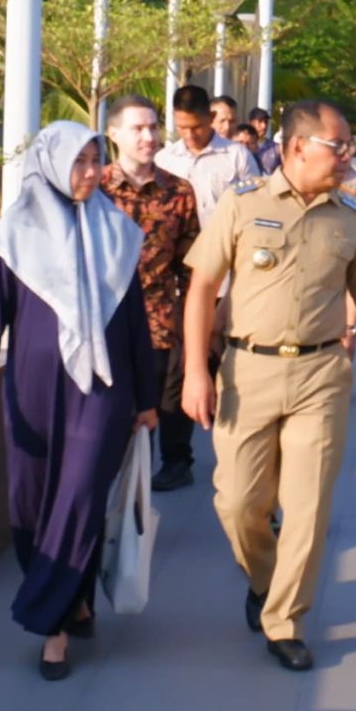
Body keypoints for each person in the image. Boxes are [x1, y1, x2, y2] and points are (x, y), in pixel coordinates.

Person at [181, 99, 356, 672]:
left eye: (348, 146)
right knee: (237, 504)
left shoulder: (351, 217)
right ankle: (265, 580)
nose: (347, 156)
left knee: (306, 510)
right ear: (296, 147)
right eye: (338, 146)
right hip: (246, 371)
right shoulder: (242, 204)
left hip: (321, 374)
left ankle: (284, 620)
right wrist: (193, 373)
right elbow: (203, 289)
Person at [0, 121, 156, 682]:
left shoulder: (117, 231)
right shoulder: (19, 231)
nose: (91, 172)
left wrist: (146, 398)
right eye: (80, 161)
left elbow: (136, 324)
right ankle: (77, 597)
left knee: (78, 494)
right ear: (50, 164)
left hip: (104, 391)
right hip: (33, 389)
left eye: (96, 160)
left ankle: (53, 627)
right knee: (30, 503)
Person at [99, 96, 204, 494]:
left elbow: (191, 265)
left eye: (153, 127)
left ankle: (176, 463)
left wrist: (198, 323)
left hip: (160, 319)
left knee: (166, 400)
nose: (148, 136)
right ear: (114, 134)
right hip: (105, 321)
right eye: (137, 129)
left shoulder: (178, 191)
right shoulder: (97, 190)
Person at [157, 84, 253, 222]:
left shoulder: (238, 156)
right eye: (182, 127)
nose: (190, 135)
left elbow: (254, 205)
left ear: (211, 117)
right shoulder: (164, 160)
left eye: (196, 127)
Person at [245, 107, 280, 175]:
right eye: (260, 121)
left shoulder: (275, 148)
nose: (264, 126)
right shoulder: (242, 145)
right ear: (251, 122)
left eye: (266, 122)